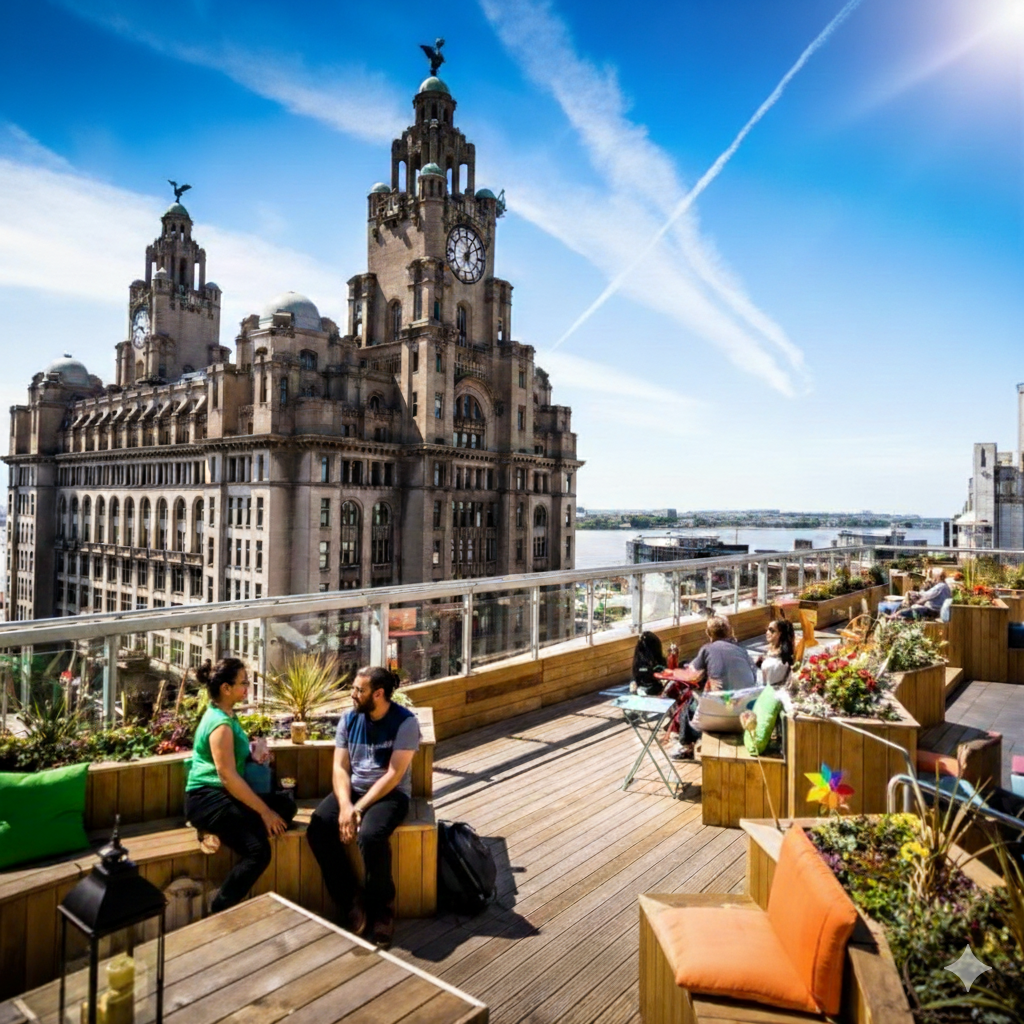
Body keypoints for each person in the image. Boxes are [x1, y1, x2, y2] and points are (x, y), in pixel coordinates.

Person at [306, 666, 420, 947]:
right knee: (318, 828)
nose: (352, 694)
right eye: (354, 688)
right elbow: (340, 767)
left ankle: (382, 909)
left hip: (390, 794)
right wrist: (345, 805)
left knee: (370, 836)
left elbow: (394, 775)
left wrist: (359, 809)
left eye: (359, 690)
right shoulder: (348, 718)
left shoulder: (405, 723)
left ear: (378, 694)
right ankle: (350, 899)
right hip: (354, 790)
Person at [184, 658, 296, 913]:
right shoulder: (220, 724)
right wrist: (264, 813)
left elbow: (232, 761)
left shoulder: (227, 715)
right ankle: (220, 907)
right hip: (208, 798)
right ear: (226, 688)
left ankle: (222, 830)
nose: (247, 687)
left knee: (285, 807)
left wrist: (253, 754)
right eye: (243, 683)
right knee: (259, 851)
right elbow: (227, 777)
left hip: (226, 794)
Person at [671, 616, 757, 761]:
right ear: (728, 632)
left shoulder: (707, 649)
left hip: (720, 713)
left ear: (708, 633)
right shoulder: (741, 650)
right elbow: (753, 677)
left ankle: (685, 746)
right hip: (744, 712)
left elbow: (693, 676)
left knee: (689, 704)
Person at [756, 619, 796, 690]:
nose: (767, 632)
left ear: (780, 634)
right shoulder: (769, 651)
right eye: (767, 629)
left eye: (772, 630)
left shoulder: (780, 660)